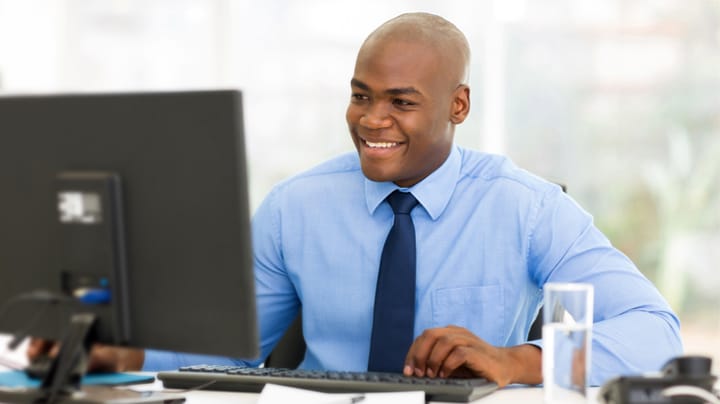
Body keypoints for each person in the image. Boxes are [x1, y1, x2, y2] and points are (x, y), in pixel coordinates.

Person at [29, 12, 682, 388]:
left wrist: (518, 360)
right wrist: (124, 353)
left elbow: (655, 333)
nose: (373, 119)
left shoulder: (528, 208)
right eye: (362, 95)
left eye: (402, 102)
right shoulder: (295, 208)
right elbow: (232, 346)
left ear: (459, 106)